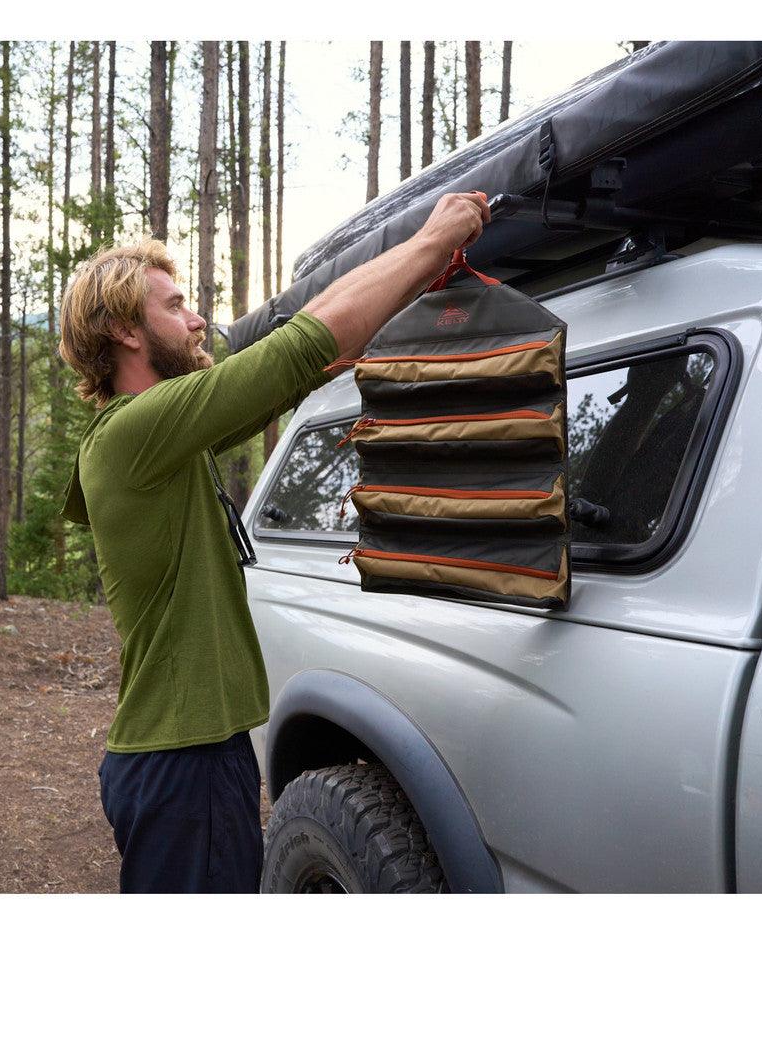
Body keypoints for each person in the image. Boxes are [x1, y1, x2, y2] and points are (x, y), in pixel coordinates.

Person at [58, 191, 490, 893]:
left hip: (189, 756)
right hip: (181, 764)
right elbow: (298, 347)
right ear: (123, 332)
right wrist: (429, 242)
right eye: (174, 306)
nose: (198, 318)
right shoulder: (134, 433)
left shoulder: (155, 436)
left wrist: (408, 273)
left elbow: (306, 354)